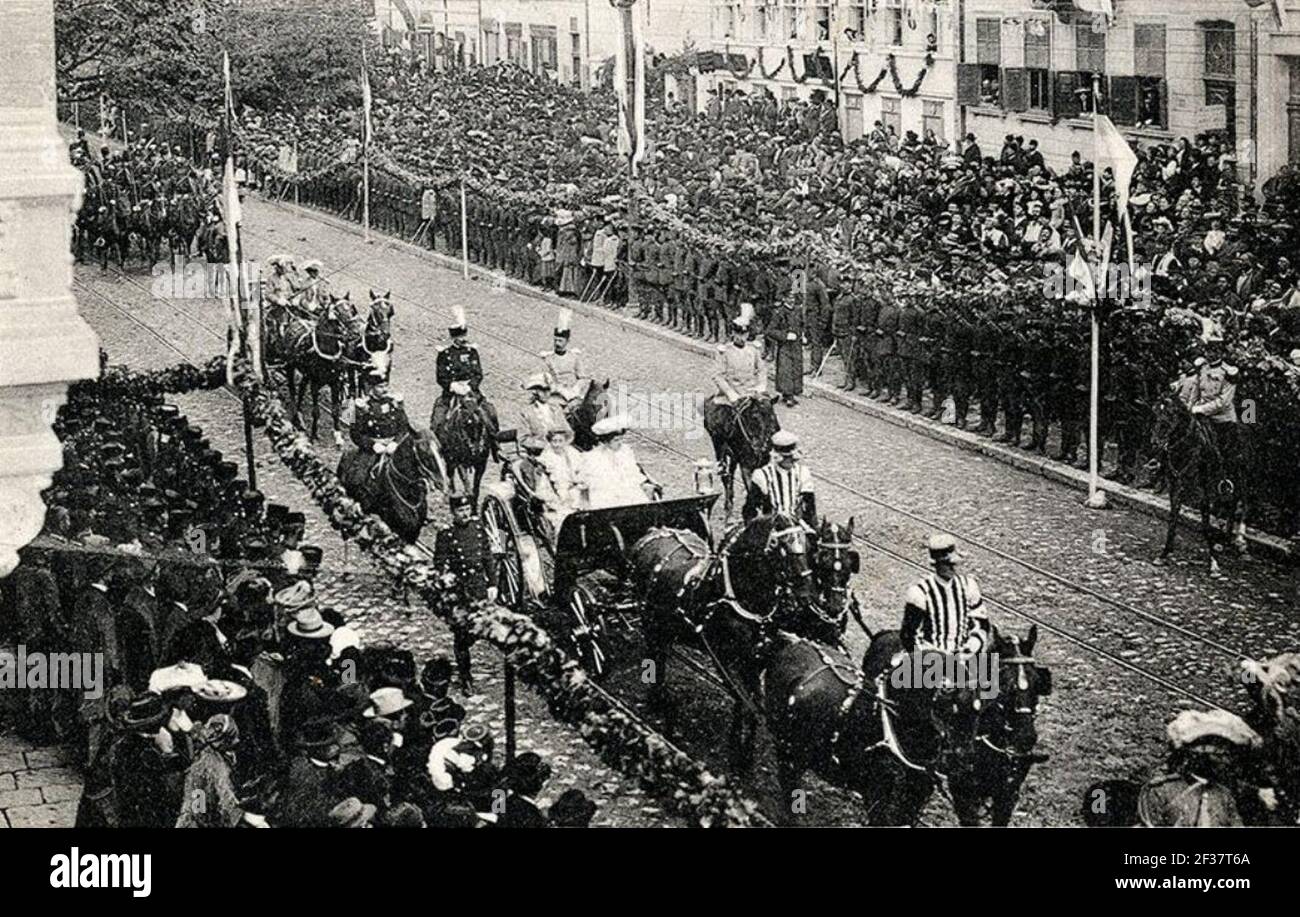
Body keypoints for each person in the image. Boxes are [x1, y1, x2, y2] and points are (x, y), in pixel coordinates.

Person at [900, 534, 990, 656]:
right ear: (936, 565)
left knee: (990, 671)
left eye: (954, 564)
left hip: (964, 655)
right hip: (929, 658)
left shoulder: (969, 586)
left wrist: (973, 644)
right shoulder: (919, 592)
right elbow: (908, 635)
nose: (952, 568)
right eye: (946, 564)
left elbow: (981, 622)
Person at [431, 305, 498, 435]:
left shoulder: (471, 352)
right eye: (460, 337)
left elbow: (478, 373)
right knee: (437, 421)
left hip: (470, 391)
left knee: (490, 414)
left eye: (464, 336)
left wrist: (470, 386)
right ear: (454, 338)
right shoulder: (444, 354)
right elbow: (441, 376)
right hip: (451, 393)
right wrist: (452, 385)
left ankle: (496, 448)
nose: (463, 339)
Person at [703, 303, 767, 435]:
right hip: (732, 396)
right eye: (738, 333)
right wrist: (730, 393)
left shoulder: (753, 350)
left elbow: (761, 370)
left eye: (744, 334)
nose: (741, 337)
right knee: (723, 426)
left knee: (768, 416)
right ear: (733, 333)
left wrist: (761, 386)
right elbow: (717, 375)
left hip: (750, 393)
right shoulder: (724, 351)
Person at [580, 415, 658, 509]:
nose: (620, 443)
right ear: (606, 442)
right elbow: (592, 482)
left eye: (621, 439)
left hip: (628, 489)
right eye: (616, 440)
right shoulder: (593, 456)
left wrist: (642, 483)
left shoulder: (625, 451)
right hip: (606, 493)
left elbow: (633, 472)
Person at [744, 431, 816, 527]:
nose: (790, 461)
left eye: (792, 458)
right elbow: (750, 509)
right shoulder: (762, 476)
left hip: (798, 526)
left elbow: (810, 507)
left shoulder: (803, 473)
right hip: (771, 528)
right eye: (786, 458)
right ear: (777, 457)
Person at [541, 307, 588, 405]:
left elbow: (583, 378)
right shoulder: (548, 359)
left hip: (572, 394)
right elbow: (545, 378)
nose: (557, 343)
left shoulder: (574, 358)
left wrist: (575, 389)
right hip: (555, 396)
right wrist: (557, 389)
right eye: (555, 340)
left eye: (560, 341)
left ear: (567, 342)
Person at [518, 374, 570, 441]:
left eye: (548, 390)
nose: (546, 393)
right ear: (535, 392)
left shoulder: (556, 409)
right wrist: (544, 445)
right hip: (540, 449)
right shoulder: (526, 412)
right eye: (542, 390)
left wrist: (564, 443)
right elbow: (523, 439)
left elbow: (568, 431)